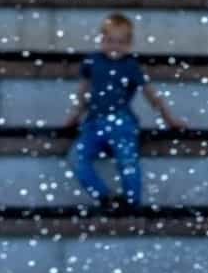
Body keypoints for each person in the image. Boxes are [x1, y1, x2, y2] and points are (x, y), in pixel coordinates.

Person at [62, 13, 184, 210]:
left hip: (122, 123)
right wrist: (74, 116)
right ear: (101, 40)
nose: (114, 47)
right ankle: (104, 196)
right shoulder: (92, 62)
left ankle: (132, 201)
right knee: (76, 158)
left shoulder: (130, 65)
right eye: (110, 41)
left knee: (127, 161)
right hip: (93, 123)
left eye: (121, 42)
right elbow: (84, 92)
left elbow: (151, 95)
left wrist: (169, 119)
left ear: (129, 44)